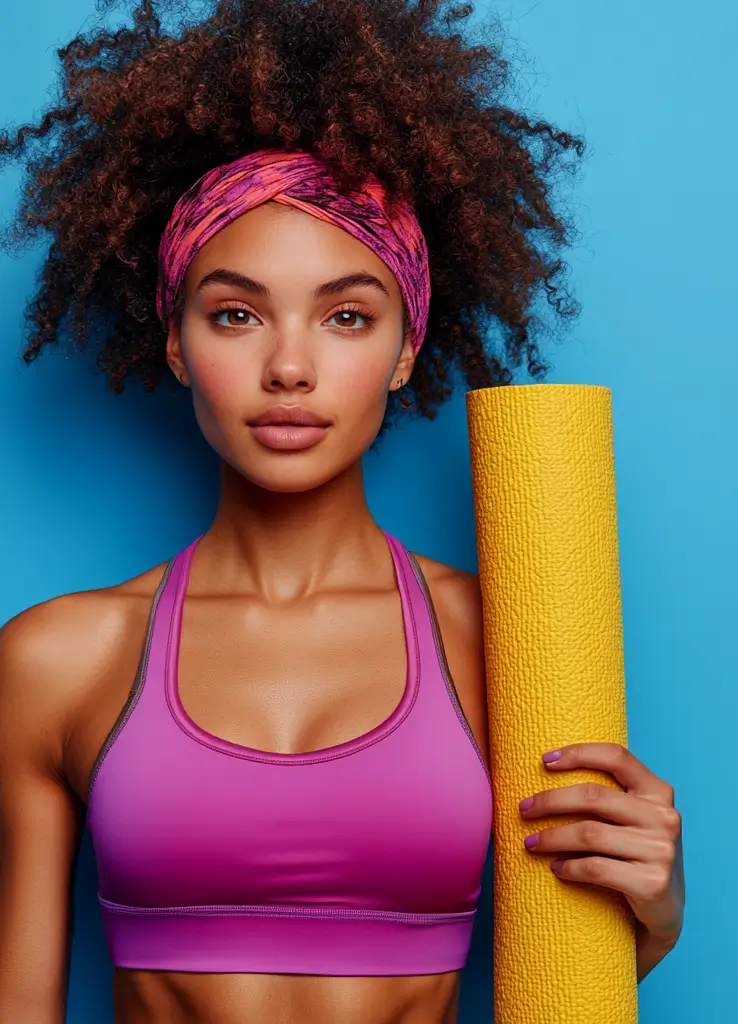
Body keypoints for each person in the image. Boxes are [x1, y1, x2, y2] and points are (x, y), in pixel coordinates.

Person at [0, 2, 686, 1022]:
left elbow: (561, 986)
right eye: (235, 313)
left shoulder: (508, 642)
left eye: (346, 316)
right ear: (177, 340)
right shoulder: (62, 659)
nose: (287, 366)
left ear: (406, 348)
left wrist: (657, 911)